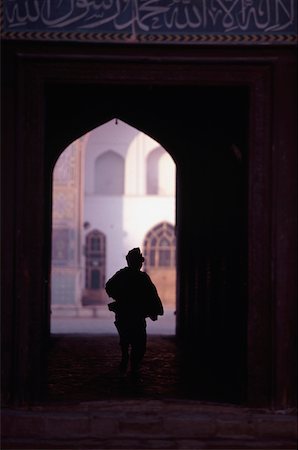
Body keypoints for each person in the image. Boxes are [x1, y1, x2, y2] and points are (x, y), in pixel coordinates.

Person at [105, 247, 164, 378]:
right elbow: (152, 295)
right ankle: (132, 363)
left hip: (127, 314)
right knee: (136, 341)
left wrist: (119, 297)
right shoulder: (140, 277)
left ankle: (128, 360)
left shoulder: (124, 275)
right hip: (134, 314)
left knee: (130, 340)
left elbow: (109, 286)